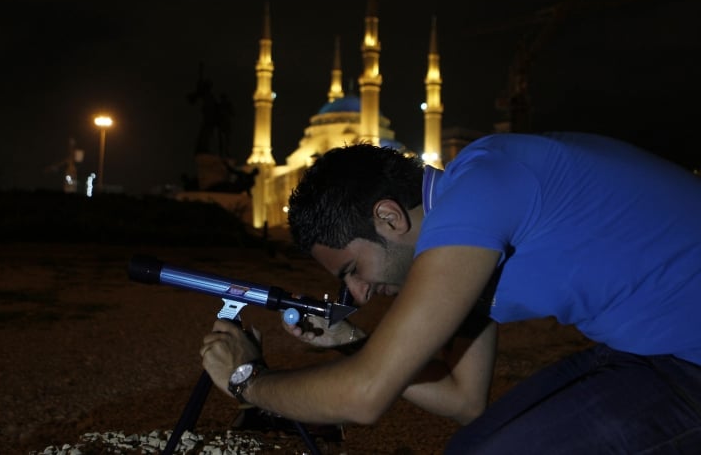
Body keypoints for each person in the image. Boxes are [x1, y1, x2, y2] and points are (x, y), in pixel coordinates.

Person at [200, 131, 701, 453]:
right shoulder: (470, 231)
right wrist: (347, 340)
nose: (359, 292)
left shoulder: (483, 189)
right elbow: (464, 399)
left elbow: (365, 397)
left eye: (352, 269)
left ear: (389, 217)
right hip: (653, 350)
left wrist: (246, 379)